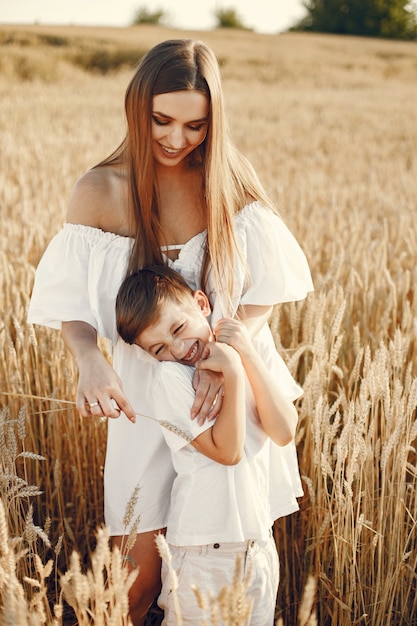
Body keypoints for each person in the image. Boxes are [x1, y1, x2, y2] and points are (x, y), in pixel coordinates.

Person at [27, 38, 313, 624]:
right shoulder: (99, 191)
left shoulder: (229, 181)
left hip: (223, 396)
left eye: (196, 125)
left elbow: (264, 293)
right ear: (137, 106)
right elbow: (71, 305)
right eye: (162, 119)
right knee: (131, 586)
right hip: (145, 403)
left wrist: (228, 355)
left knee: (222, 573)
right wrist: (91, 358)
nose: (177, 139)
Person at [115, 265, 302, 624]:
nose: (179, 348)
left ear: (201, 303)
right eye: (160, 348)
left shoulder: (249, 349)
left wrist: (244, 356)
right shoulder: (170, 379)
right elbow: (227, 452)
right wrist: (231, 370)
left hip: (257, 544)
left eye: (178, 329)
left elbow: (283, 431)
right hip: (202, 551)